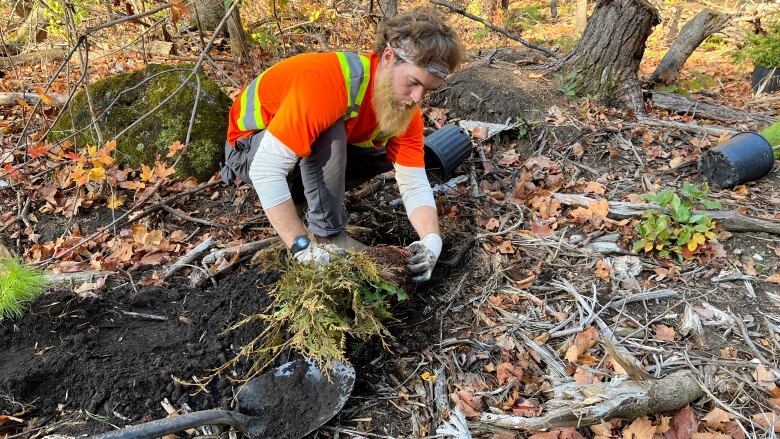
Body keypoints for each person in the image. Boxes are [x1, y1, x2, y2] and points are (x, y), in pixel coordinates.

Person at [220, 7, 462, 282]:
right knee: (330, 131)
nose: (417, 98)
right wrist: (301, 247)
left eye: (427, 90)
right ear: (388, 57)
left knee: (383, 152)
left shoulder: (404, 111)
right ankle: (328, 235)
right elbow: (265, 169)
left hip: (294, 156)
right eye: (413, 83)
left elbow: (414, 182)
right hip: (248, 150)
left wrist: (431, 240)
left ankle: (300, 199)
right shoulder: (329, 83)